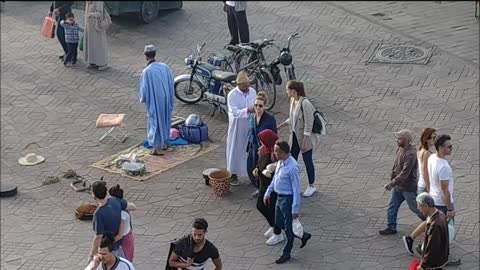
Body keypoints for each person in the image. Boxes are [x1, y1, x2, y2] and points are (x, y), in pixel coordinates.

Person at [403, 134, 461, 266]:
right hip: (443, 203)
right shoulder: (444, 167)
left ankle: (411, 239)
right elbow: (445, 190)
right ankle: (439, 255)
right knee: (444, 232)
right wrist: (450, 209)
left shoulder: (432, 157)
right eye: (449, 146)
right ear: (440, 148)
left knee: (431, 223)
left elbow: (426, 174)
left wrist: (429, 190)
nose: (452, 148)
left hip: (434, 198)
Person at [264, 141, 312, 264]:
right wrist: (268, 192)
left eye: (276, 151)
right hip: (279, 197)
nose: (274, 153)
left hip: (287, 199)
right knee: (278, 222)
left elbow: (296, 190)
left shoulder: (292, 167)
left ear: (284, 152)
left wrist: (295, 209)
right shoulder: (280, 162)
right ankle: (302, 235)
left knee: (288, 228)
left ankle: (287, 253)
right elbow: (275, 178)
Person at [379, 129, 426, 235]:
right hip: (398, 186)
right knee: (392, 206)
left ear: (405, 140)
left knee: (416, 208)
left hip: (408, 188)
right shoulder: (400, 149)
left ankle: (432, 222)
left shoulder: (410, 154)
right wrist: (393, 178)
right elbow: (396, 165)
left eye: (400, 138)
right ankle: (391, 227)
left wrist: (392, 183)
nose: (397, 140)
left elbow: (405, 173)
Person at [277, 80, 320, 197]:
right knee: (292, 160)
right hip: (295, 136)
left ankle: (311, 185)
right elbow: (291, 118)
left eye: (288, 90)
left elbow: (308, 124)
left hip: (304, 138)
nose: (286, 92)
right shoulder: (292, 101)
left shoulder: (305, 103)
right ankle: (292, 184)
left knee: (307, 161)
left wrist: (305, 141)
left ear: (293, 91)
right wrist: (279, 126)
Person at [138, 44, 175, 156]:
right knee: (165, 120)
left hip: (155, 101)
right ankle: (165, 142)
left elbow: (144, 90)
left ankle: (157, 148)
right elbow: (171, 82)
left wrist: (143, 99)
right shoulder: (165, 67)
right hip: (167, 98)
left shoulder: (147, 72)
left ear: (146, 57)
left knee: (155, 122)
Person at [89, 180, 136, 263]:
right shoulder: (114, 200)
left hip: (109, 249)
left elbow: (98, 236)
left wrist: (92, 254)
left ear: (94, 195)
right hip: (120, 244)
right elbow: (132, 207)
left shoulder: (98, 213)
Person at [252, 129, 284, 246]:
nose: (261, 143)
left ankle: (278, 233)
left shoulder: (275, 155)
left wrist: (270, 171)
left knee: (272, 209)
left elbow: (279, 171)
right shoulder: (263, 150)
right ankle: (272, 225)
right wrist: (257, 169)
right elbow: (260, 163)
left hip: (271, 187)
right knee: (260, 206)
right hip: (263, 184)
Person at [226, 71, 256, 185]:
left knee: (249, 149)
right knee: (235, 149)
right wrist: (248, 110)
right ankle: (233, 173)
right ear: (238, 85)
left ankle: (251, 171)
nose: (247, 87)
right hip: (237, 127)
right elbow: (235, 112)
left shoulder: (252, 91)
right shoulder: (232, 95)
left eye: (247, 85)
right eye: (244, 86)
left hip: (250, 124)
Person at [247, 92, 277, 197]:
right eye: (256, 105)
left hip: (264, 150)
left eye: (260, 105)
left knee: (261, 170)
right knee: (251, 168)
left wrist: (269, 148)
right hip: (253, 146)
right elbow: (250, 132)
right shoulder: (252, 117)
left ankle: (263, 190)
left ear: (264, 106)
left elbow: (274, 135)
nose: (258, 108)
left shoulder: (270, 119)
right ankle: (257, 187)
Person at [415, 192, 449, 270]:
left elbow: (432, 247)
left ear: (426, 206)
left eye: (419, 207)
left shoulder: (435, 224)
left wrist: (423, 265)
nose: (419, 209)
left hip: (434, 262)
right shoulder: (441, 214)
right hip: (441, 256)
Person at [108, 185, 135, 263]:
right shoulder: (123, 207)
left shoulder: (121, 214)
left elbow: (120, 235)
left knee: (123, 261)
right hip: (127, 237)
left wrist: (107, 243)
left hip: (124, 242)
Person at [84, 1, 110, 70]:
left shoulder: (98, 2)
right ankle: (92, 61)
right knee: (91, 45)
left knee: (99, 45)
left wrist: (91, 15)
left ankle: (102, 63)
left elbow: (100, 13)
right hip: (89, 27)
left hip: (97, 27)